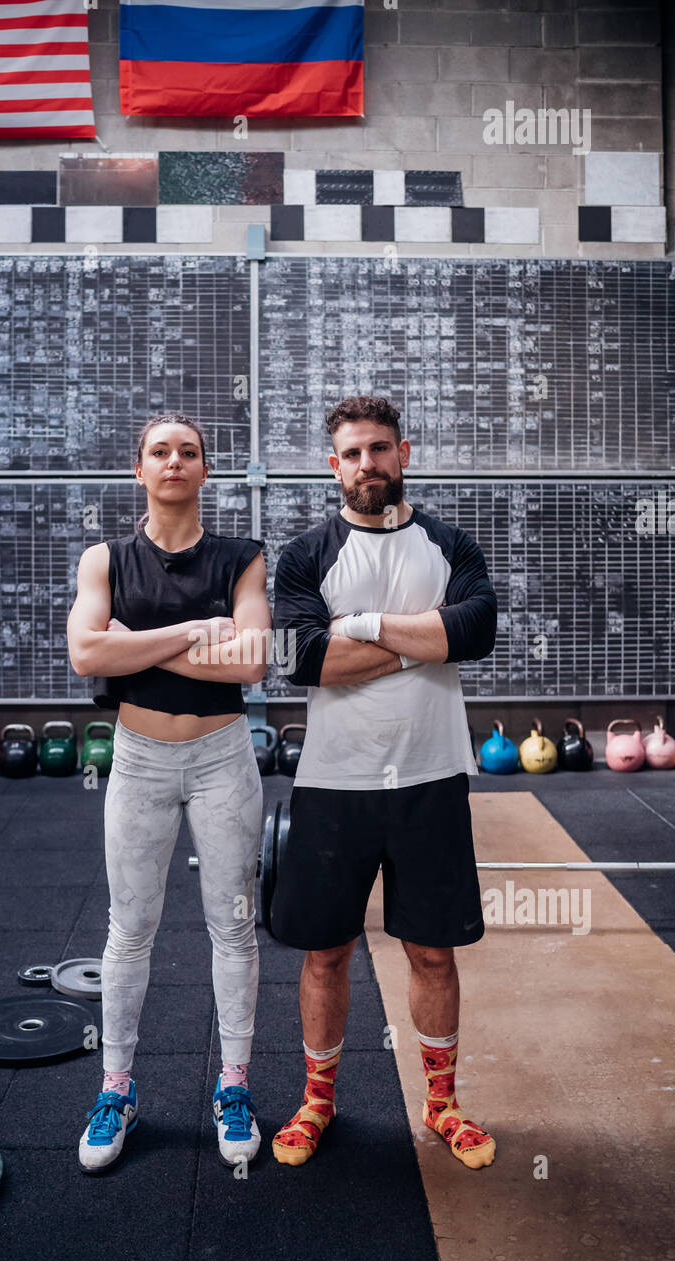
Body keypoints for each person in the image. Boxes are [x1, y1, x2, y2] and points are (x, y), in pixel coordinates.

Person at [270, 395, 497, 1171]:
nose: (367, 464)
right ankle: (317, 1103)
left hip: (432, 778)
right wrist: (420, 639)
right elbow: (302, 659)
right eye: (351, 453)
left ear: (405, 452)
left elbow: (476, 632)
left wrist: (359, 626)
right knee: (325, 952)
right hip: (334, 782)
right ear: (333, 466)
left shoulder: (450, 542)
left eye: (379, 448)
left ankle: (442, 1106)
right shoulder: (306, 554)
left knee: (433, 953)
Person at [66, 413, 270, 1172]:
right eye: (161, 451)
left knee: (233, 927)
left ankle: (234, 1084)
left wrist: (136, 649)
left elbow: (252, 661)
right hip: (139, 759)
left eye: (188, 451)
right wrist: (197, 633)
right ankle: (116, 1088)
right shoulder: (105, 559)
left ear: (205, 470)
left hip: (223, 757)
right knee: (129, 930)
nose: (175, 461)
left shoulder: (242, 557)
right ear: (140, 470)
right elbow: (87, 651)